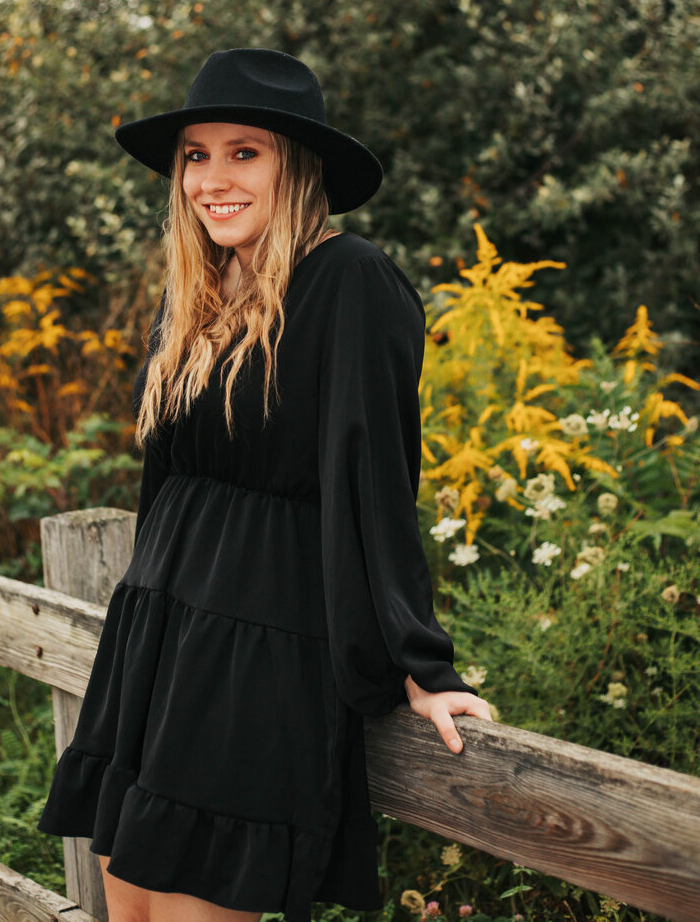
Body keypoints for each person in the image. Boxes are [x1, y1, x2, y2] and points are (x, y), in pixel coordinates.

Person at [36, 48, 493, 922]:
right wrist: (141, 625)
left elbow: (379, 483)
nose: (213, 178)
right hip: (159, 635)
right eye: (196, 155)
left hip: (256, 653)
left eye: (245, 151)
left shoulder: (351, 279)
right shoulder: (197, 290)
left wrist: (420, 665)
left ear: (297, 164)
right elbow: (163, 481)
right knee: (122, 909)